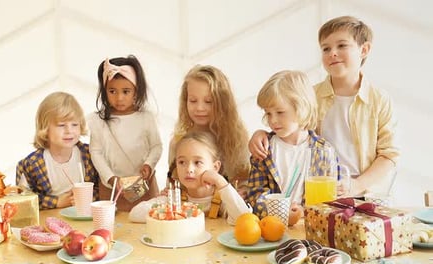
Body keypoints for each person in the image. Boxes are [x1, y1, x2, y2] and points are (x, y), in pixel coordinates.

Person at [248, 16, 399, 197]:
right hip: (319, 192)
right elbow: (293, 131)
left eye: (341, 46)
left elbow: (389, 155)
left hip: (365, 195)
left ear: (364, 49)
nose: (332, 53)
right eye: (326, 48)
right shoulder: (310, 95)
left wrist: (356, 185)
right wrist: (261, 134)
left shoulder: (379, 100)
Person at [246, 70, 337, 224]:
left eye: (280, 112)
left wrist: (304, 212)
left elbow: (332, 199)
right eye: (268, 113)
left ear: (302, 108)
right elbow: (255, 195)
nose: (273, 120)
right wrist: (278, 213)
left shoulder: (323, 151)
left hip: (311, 228)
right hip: (271, 229)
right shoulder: (264, 149)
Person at [88, 55, 162, 212]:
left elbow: (156, 146)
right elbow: (96, 153)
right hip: (111, 188)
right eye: (112, 91)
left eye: (126, 91)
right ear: (104, 91)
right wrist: (111, 178)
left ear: (136, 90)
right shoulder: (98, 121)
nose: (119, 97)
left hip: (143, 186)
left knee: (148, 221)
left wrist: (149, 164)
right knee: (113, 226)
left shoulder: (146, 117)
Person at [130, 131, 250, 225]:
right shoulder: (174, 198)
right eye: (182, 162)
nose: (189, 169)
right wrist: (166, 208)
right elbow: (135, 214)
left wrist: (220, 181)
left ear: (215, 167)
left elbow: (244, 218)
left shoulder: (224, 199)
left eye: (197, 162)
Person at [167, 65, 250, 201]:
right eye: (193, 101)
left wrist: (244, 190)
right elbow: (172, 183)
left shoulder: (237, 141)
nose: (200, 108)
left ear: (223, 103)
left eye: (209, 101)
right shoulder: (178, 141)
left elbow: (247, 182)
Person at [16, 91, 100, 209]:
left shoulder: (90, 155)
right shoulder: (31, 164)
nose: (69, 131)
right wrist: (56, 202)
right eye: (61, 125)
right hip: (49, 221)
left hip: (86, 218)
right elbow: (22, 199)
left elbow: (102, 188)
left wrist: (91, 197)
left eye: (74, 125)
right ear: (45, 128)